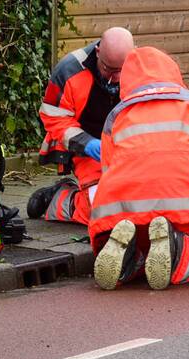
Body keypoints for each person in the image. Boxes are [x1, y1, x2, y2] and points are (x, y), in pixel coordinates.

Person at [88, 47, 189, 290]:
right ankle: (181, 248)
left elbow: (108, 171)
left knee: (144, 243)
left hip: (126, 209)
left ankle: (131, 258)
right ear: (172, 70)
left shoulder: (117, 114)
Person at [28, 27, 134, 225]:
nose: (115, 78)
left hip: (130, 150)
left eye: (121, 70)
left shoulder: (144, 69)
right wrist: (87, 144)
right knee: (101, 211)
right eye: (109, 69)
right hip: (88, 150)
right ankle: (59, 199)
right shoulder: (69, 70)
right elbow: (54, 118)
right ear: (98, 52)